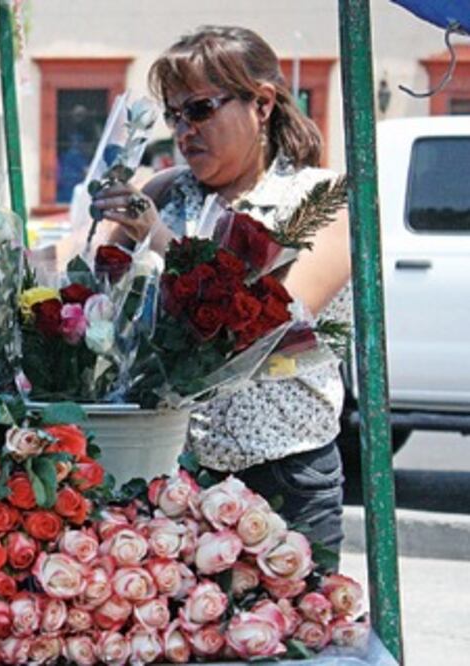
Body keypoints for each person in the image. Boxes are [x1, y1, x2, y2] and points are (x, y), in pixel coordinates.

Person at [94, 26, 352, 553]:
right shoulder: (164, 192)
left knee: (286, 635)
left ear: (261, 103)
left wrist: (160, 240)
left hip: (283, 479)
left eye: (201, 109)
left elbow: (268, 321)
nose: (184, 130)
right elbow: (94, 295)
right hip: (174, 474)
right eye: (174, 115)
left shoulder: (317, 201)